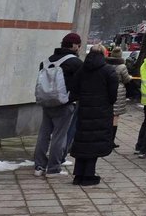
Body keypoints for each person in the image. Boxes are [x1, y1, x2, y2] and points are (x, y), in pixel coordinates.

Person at [34, 32, 83, 177]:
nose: (79, 48)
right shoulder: (75, 63)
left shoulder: (47, 61)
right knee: (59, 136)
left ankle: (39, 166)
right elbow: (80, 83)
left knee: (43, 134)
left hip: (46, 102)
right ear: (74, 45)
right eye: (79, 45)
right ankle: (53, 168)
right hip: (64, 103)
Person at [68, 45, 118, 186]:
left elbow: (74, 88)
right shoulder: (108, 71)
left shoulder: (81, 70)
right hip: (101, 111)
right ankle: (89, 175)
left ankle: (78, 174)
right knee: (95, 142)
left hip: (84, 109)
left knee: (83, 140)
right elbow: (113, 94)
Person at [106, 47, 132, 148]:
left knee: (107, 115)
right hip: (119, 90)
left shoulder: (106, 64)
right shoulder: (122, 66)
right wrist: (129, 77)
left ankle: (105, 138)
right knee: (115, 117)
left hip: (107, 89)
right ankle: (111, 141)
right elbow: (126, 79)